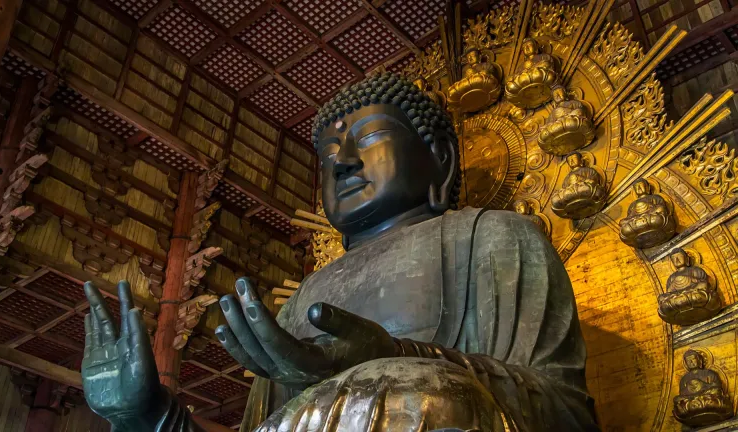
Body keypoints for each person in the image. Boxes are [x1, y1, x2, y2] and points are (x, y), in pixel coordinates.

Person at [81, 72, 598, 431]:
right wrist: (149, 416)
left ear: (438, 160)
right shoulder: (304, 296)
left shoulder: (495, 238)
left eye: (369, 138)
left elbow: (567, 415)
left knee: (421, 394)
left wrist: (400, 360)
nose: (344, 163)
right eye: (328, 157)